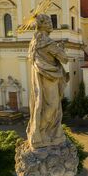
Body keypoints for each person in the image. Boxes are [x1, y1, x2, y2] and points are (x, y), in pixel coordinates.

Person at [27, 14, 70, 149]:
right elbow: (64, 58)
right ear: (42, 24)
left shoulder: (34, 42)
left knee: (43, 105)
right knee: (52, 106)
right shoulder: (48, 43)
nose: (51, 24)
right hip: (50, 79)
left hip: (42, 79)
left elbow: (31, 59)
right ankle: (42, 131)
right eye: (48, 22)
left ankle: (40, 131)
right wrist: (61, 49)